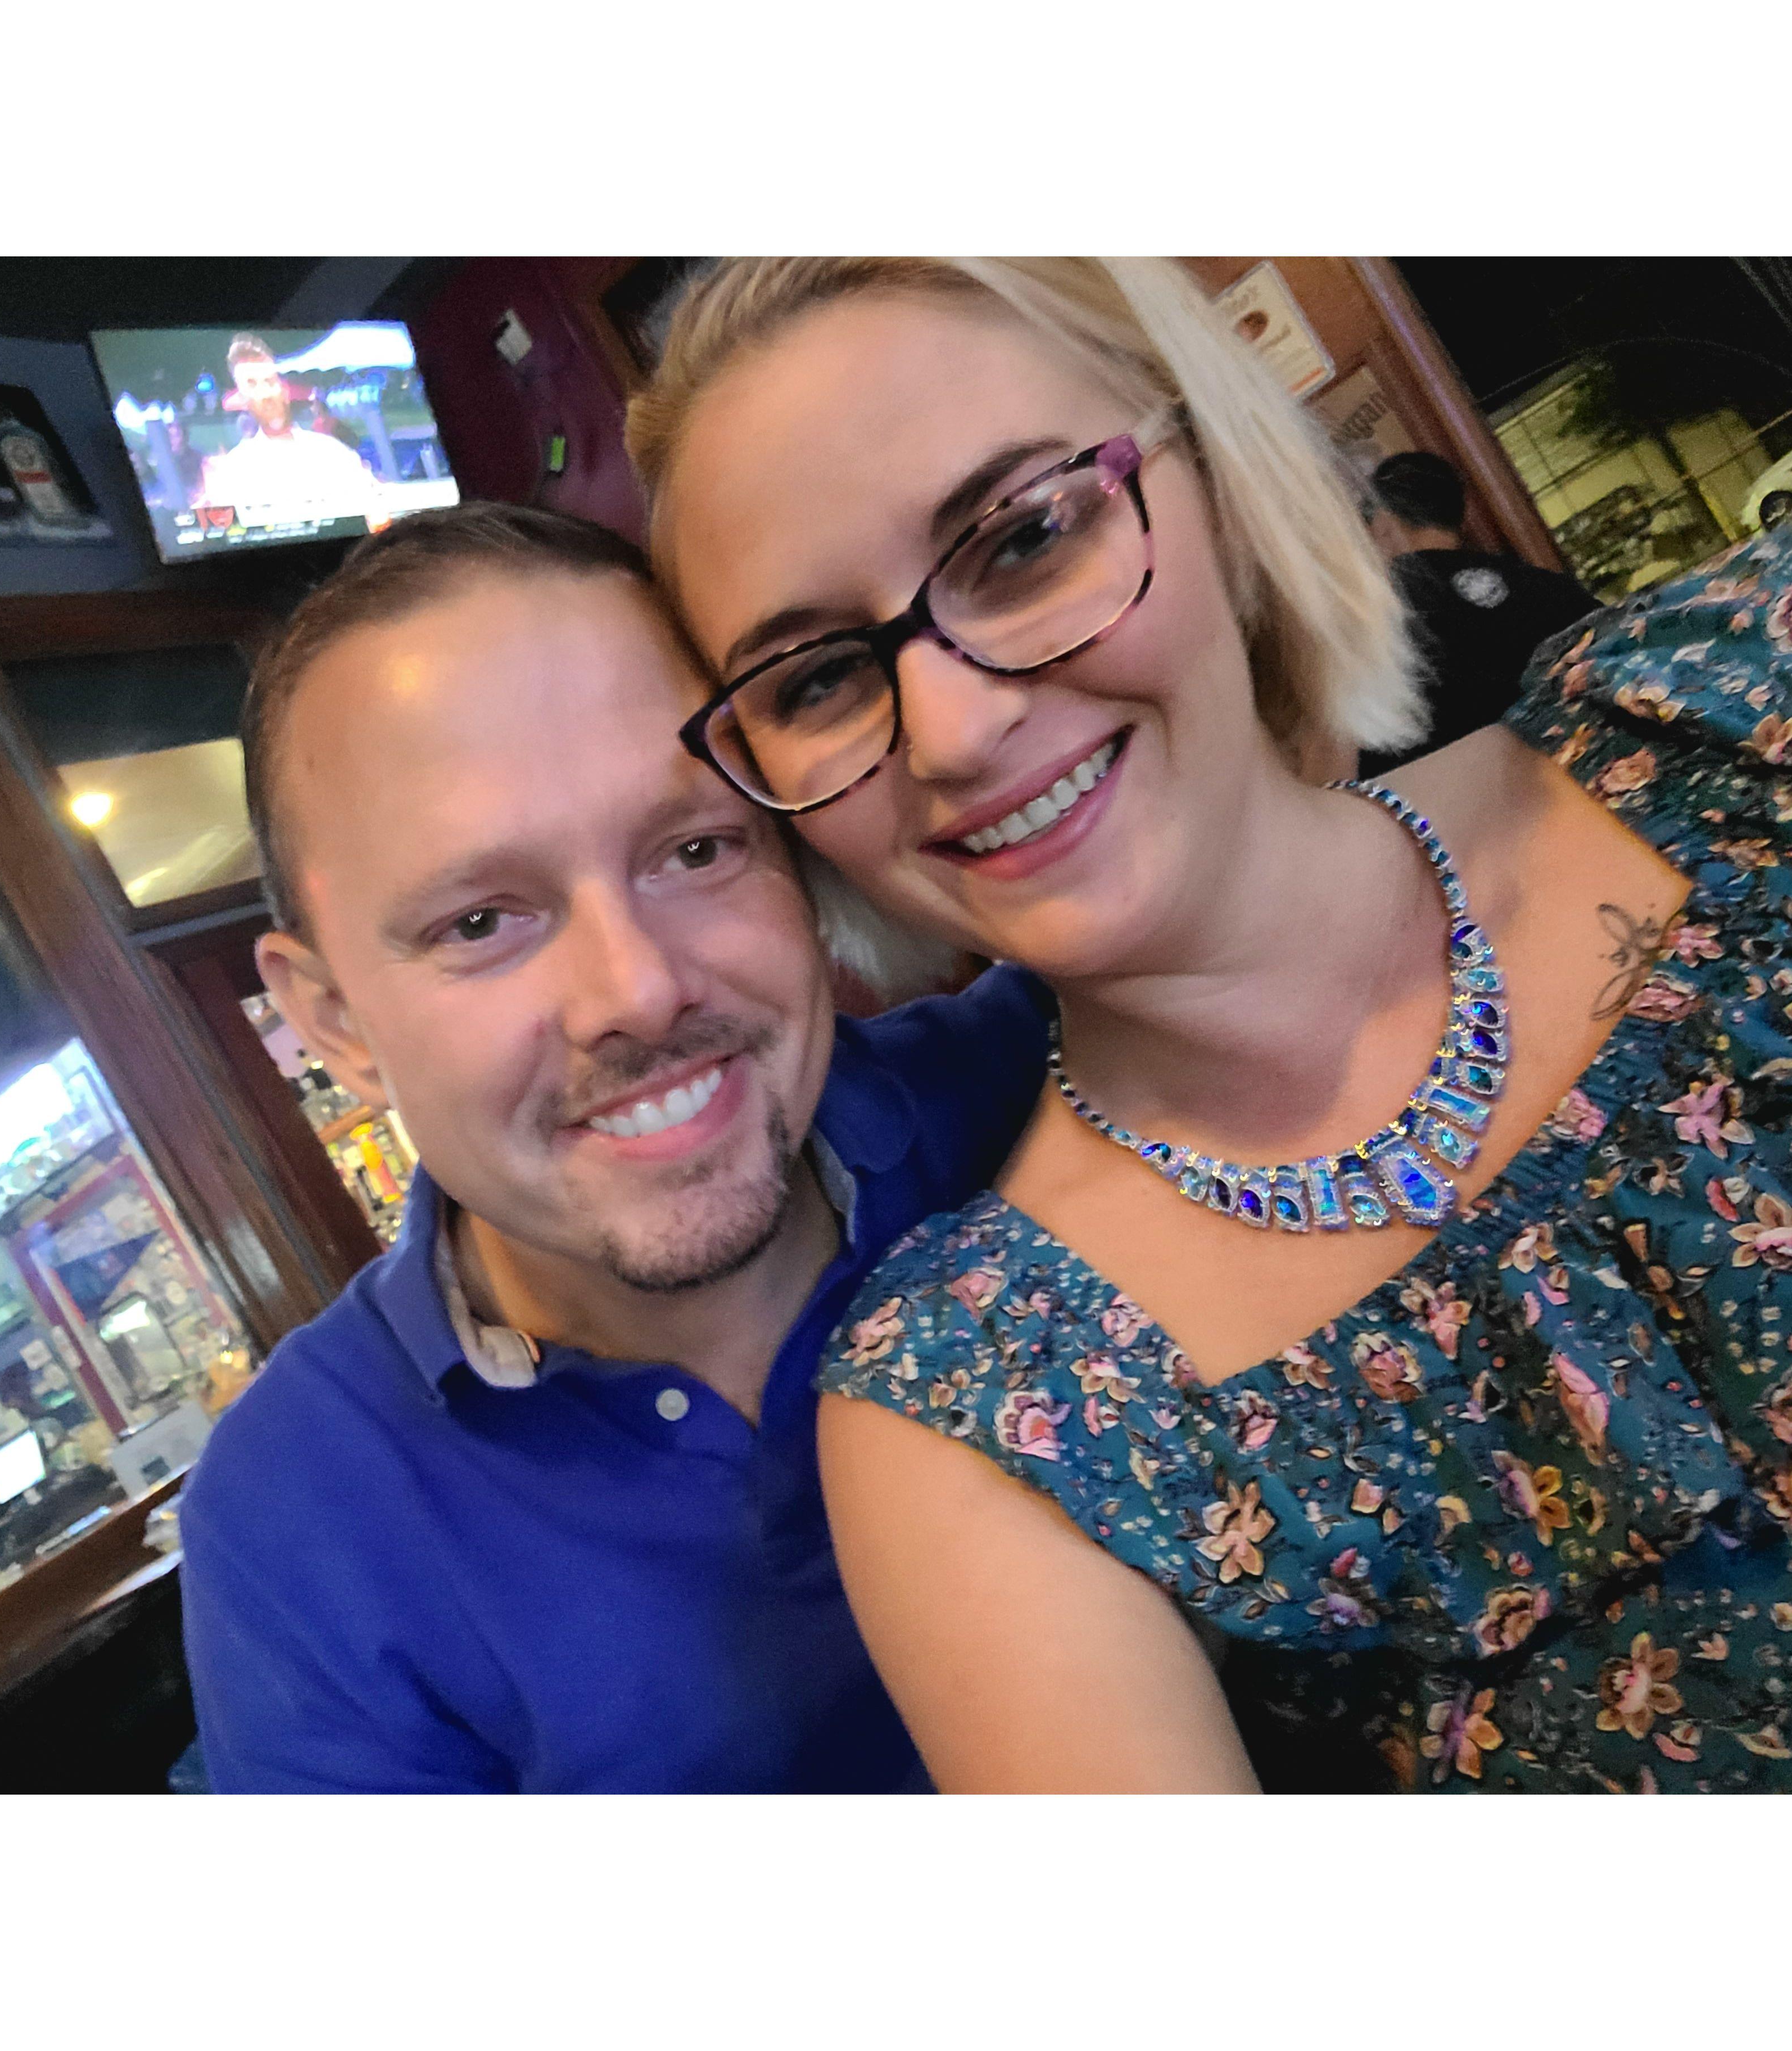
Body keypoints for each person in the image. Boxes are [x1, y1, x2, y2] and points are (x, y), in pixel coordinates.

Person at [628, 256, 1792, 1794]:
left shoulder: (1732, 708)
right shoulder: (984, 1414)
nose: (955, 730)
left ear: (1223, 487)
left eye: (1025, 538)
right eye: (821, 678)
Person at [175, 503, 1050, 1791]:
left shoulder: (1045, 1078)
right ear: (333, 1020)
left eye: (695, 849)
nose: (637, 989)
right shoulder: (294, 1523)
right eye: (482, 921)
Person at [1361, 449, 1596, 773]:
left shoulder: (1377, 624)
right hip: (1592, 774)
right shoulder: (1544, 586)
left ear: (1384, 526)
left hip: (1479, 790)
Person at [195, 333, 382, 527]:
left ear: (284, 390)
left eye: (269, 381)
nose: (265, 394)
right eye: (252, 384)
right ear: (243, 398)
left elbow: (374, 514)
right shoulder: (232, 472)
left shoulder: (334, 453)